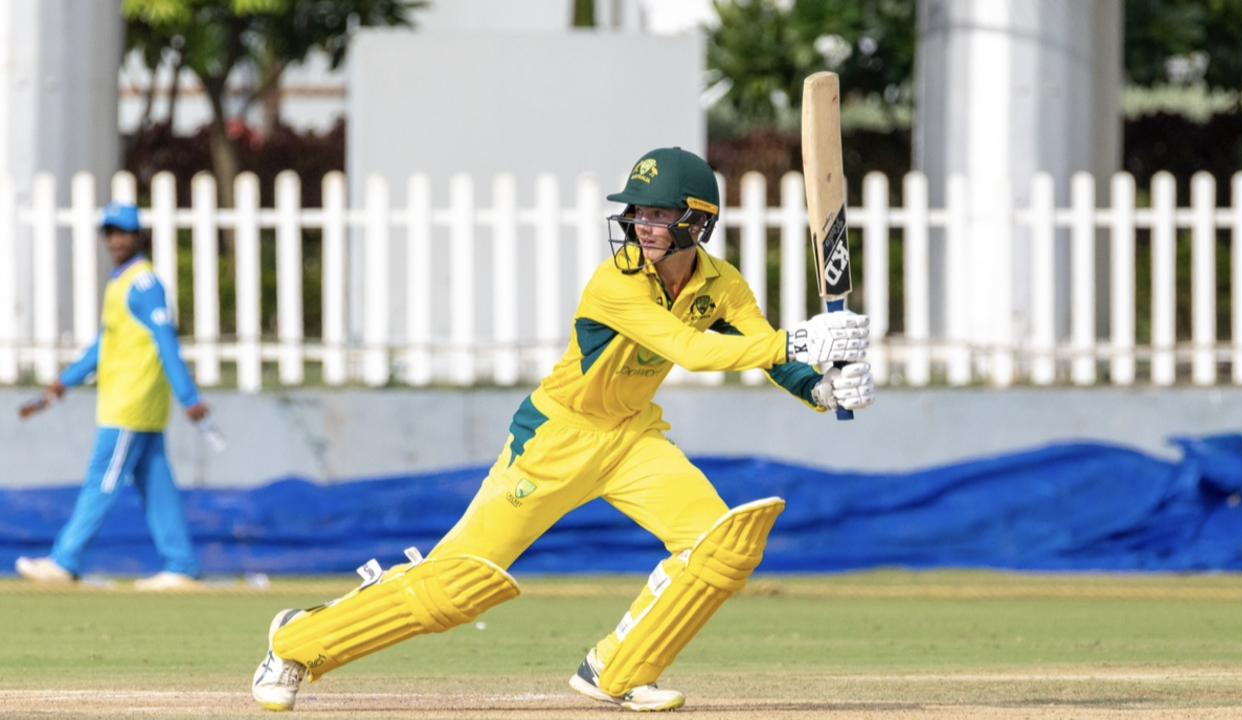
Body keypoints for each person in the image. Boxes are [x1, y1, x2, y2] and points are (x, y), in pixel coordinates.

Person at [251, 147, 874, 711]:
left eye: (658, 215)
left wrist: (817, 387)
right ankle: (298, 643)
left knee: (721, 546)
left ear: (697, 223)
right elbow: (691, 350)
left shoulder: (722, 284)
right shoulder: (614, 285)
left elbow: (757, 347)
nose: (640, 227)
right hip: (555, 439)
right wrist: (798, 337)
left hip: (632, 438)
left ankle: (618, 671)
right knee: (455, 588)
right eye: (637, 214)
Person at [14, 201, 211, 592]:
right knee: (156, 483)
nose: (116, 240)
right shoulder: (122, 283)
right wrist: (64, 382)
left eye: (123, 232)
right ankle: (181, 563)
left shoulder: (144, 285)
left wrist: (188, 395)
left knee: (101, 480)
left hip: (130, 404)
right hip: (130, 404)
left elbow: (166, 342)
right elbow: (105, 344)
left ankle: (65, 559)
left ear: (139, 236)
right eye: (110, 233)